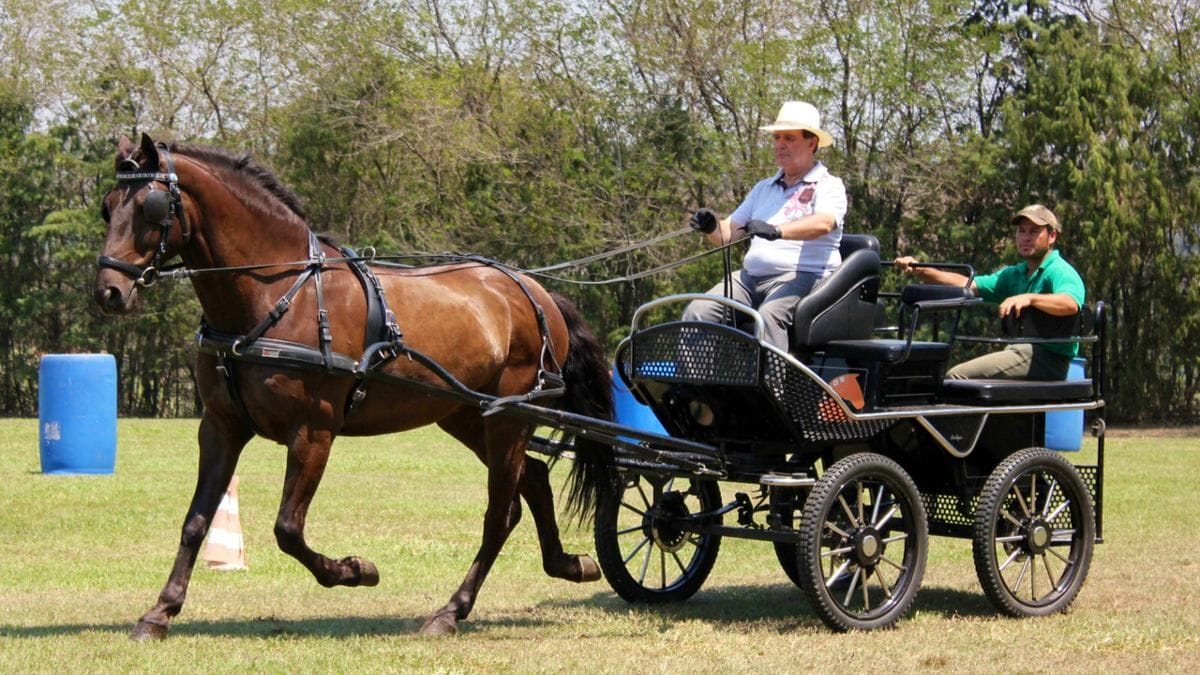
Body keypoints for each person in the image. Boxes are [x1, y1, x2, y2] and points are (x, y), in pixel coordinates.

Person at [683, 100, 848, 350]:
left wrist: (778, 231)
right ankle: (695, 387)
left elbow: (824, 223)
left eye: (789, 138)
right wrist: (710, 226)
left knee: (769, 316)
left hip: (804, 276)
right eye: (777, 137)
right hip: (749, 280)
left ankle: (771, 389)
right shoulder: (763, 188)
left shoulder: (828, 185)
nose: (780, 144)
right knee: (699, 311)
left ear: (812, 142)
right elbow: (729, 234)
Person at [894, 204, 1086, 380]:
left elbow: (1070, 303)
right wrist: (920, 269)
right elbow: (967, 284)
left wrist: (1029, 298)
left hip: (1048, 359)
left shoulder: (1059, 270)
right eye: (1021, 231)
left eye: (1034, 231)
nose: (1026, 237)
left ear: (1052, 236)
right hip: (1020, 352)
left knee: (957, 376)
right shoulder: (1015, 274)